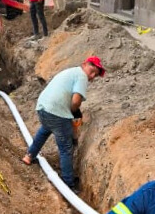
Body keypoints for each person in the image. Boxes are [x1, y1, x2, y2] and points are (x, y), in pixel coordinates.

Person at [22, 56, 105, 188]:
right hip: (56, 112)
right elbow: (76, 101)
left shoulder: (71, 71)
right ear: (85, 64)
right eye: (92, 70)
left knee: (45, 129)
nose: (92, 76)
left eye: (96, 75)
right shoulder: (82, 76)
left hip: (43, 108)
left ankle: (29, 156)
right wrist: (73, 111)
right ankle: (68, 183)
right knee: (66, 148)